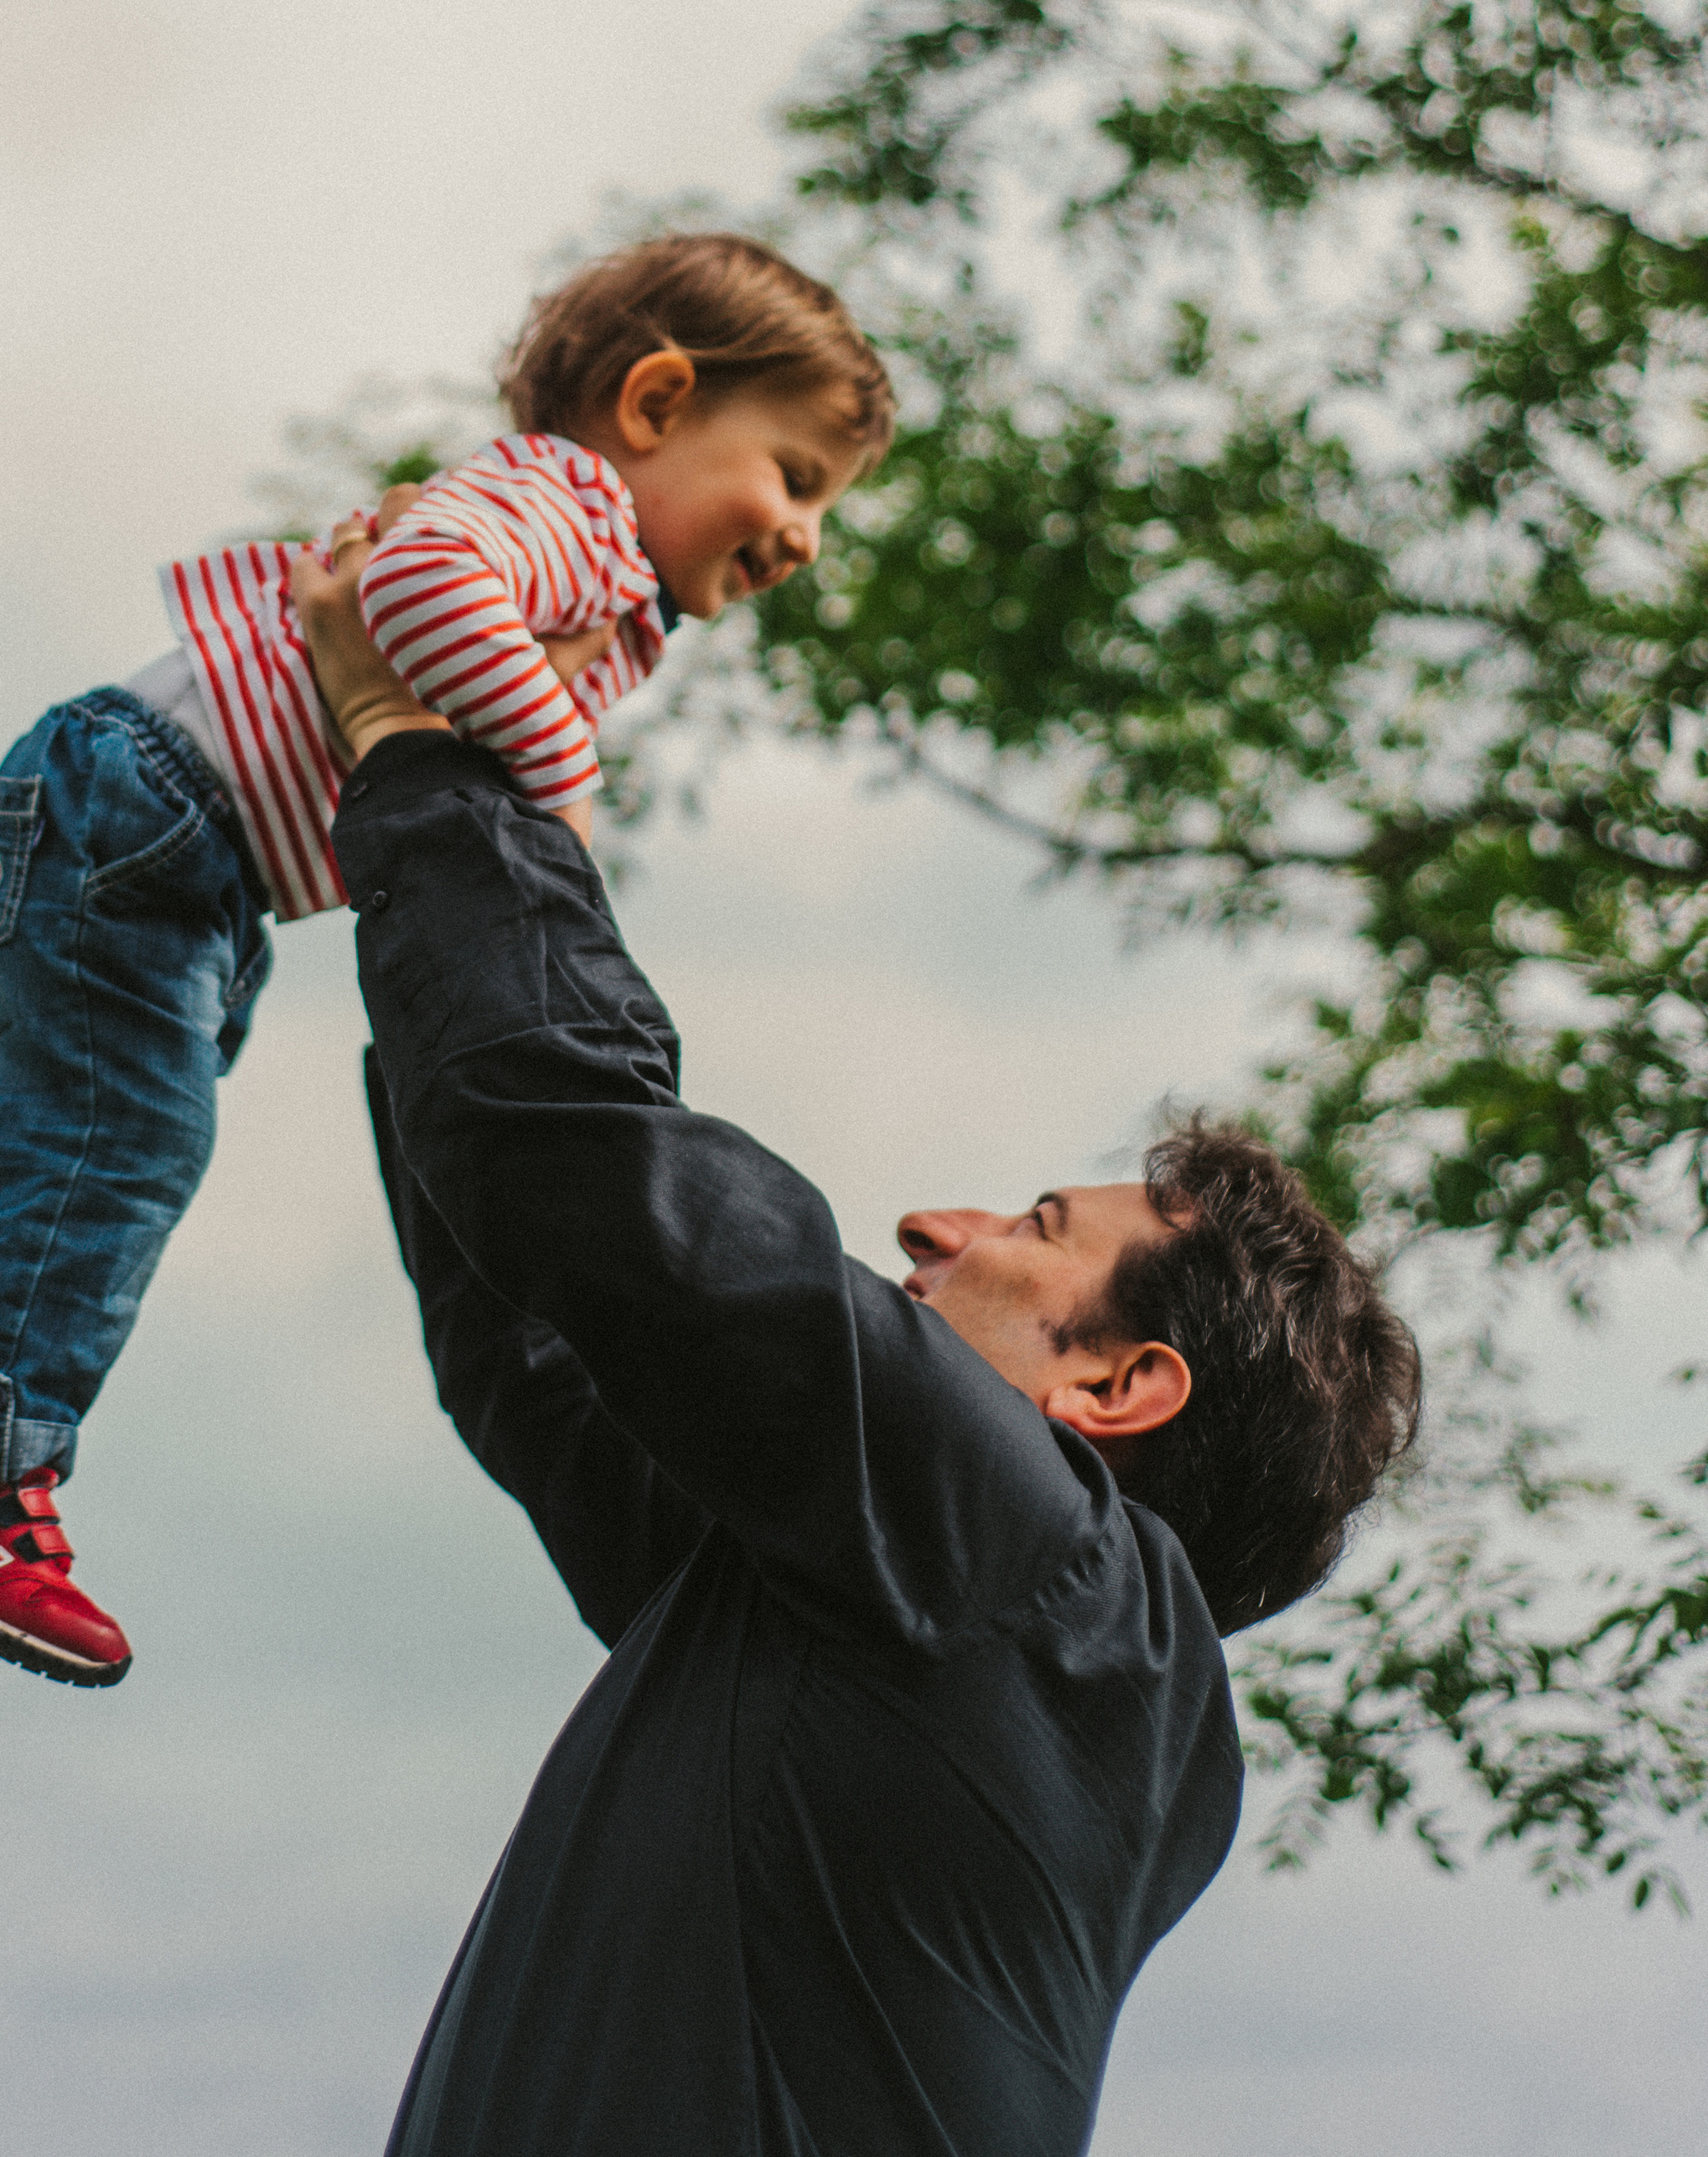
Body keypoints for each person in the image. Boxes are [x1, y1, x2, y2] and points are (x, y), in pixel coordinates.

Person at [290, 527, 1422, 2157]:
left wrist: (407, 749)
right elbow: (543, 1326)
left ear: (1114, 1385)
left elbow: (592, 1171)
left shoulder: (1052, 1576)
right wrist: (503, 839)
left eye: (1036, 1224)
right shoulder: (891, 1636)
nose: (933, 1225)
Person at [0, 236, 894, 1728]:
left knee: (23, 1158)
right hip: (151, 815)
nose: (805, 534)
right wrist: (564, 775)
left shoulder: (589, 550)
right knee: (109, 1147)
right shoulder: (574, 507)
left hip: (160, 843)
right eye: (796, 476)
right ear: (657, 401)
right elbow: (416, 583)